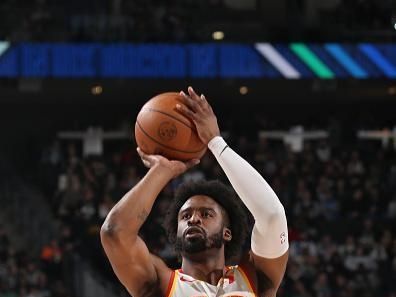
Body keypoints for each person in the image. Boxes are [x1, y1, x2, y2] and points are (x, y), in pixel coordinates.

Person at [100, 87, 289, 297]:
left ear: (227, 232)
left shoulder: (254, 278)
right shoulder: (159, 284)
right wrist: (160, 172)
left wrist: (216, 143)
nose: (194, 219)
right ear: (177, 233)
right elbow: (114, 233)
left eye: (206, 214)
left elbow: (272, 216)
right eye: (185, 216)